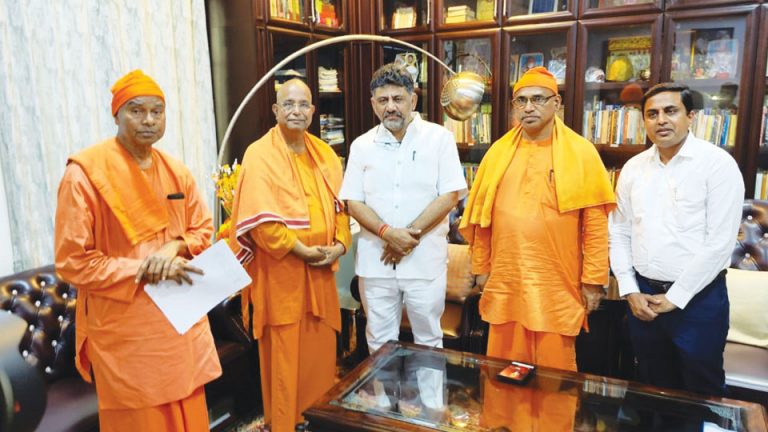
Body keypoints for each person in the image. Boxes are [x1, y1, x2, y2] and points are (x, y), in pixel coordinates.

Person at [54, 70, 221, 431]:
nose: (148, 120)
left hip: (180, 322)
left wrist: (176, 245)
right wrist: (143, 267)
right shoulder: (84, 175)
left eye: (157, 111)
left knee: (190, 415)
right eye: (136, 110)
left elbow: (202, 230)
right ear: (116, 114)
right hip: (127, 330)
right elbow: (72, 262)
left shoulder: (177, 172)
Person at [459, 67, 616, 371]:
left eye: (538, 99)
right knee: (503, 370)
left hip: (555, 285)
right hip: (506, 281)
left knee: (553, 376)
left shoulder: (581, 153)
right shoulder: (497, 153)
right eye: (521, 101)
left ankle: (550, 422)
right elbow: (481, 221)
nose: (528, 107)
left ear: (556, 104)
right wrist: (481, 268)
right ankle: (504, 421)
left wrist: (594, 281)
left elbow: (596, 227)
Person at [230, 78, 351, 432]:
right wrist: (302, 250)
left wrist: (340, 245)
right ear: (275, 110)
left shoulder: (325, 153)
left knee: (320, 357)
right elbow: (261, 224)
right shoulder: (260, 154)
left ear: (313, 110)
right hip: (282, 275)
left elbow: (341, 209)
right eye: (288, 104)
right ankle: (284, 424)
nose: (296, 111)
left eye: (303, 105)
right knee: (284, 360)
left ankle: (317, 422)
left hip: (320, 275)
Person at [609, 83, 744, 396]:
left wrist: (676, 296)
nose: (661, 120)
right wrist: (629, 290)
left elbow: (720, 243)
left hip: (698, 301)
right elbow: (618, 231)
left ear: (690, 116)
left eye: (671, 111)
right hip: (644, 300)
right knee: (652, 388)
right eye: (652, 114)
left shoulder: (717, 165)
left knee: (701, 390)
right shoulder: (633, 168)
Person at [339, 64, 467, 353]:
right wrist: (387, 233)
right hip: (376, 266)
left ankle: (430, 401)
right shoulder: (362, 146)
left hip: (425, 264)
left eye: (398, 99)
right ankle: (384, 401)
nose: (391, 107)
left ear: (413, 100)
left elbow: (449, 195)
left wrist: (406, 238)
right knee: (379, 343)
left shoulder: (439, 138)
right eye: (383, 101)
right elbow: (352, 202)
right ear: (373, 104)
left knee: (429, 342)